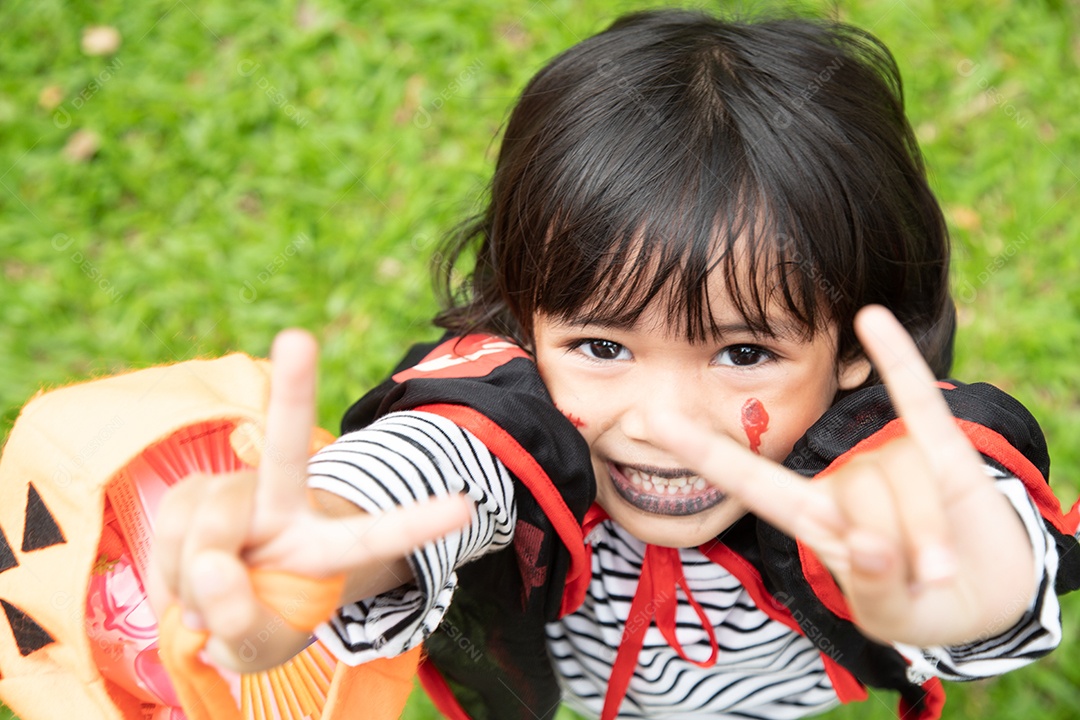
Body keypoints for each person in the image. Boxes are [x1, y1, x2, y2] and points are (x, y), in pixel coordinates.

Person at [150, 9, 1080, 720]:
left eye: (745, 351)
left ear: (847, 353)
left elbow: (958, 520)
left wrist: (986, 592)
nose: (661, 420)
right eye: (601, 346)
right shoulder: (505, 437)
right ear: (527, 319)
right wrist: (291, 568)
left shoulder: (872, 489)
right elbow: (404, 481)